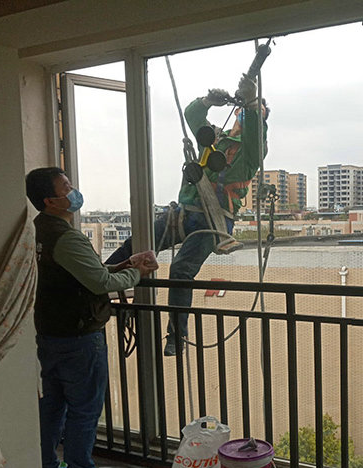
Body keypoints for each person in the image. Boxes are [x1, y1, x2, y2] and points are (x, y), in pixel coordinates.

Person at [106, 75, 269, 356]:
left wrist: (253, 103)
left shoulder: (251, 152)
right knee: (136, 244)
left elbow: (256, 134)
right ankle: (99, 282)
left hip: (214, 220)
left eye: (252, 114)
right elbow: (193, 115)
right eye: (243, 111)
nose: (244, 116)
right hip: (184, 213)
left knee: (181, 269)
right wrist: (208, 101)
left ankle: (176, 335)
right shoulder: (214, 139)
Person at [25, 167, 158, 468]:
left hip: (50, 334)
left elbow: (83, 273)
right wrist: (137, 274)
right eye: (66, 187)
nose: (73, 191)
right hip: (79, 336)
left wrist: (125, 264)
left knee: (52, 406)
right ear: (50, 200)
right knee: (84, 408)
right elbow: (100, 283)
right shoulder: (66, 237)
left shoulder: (37, 231)